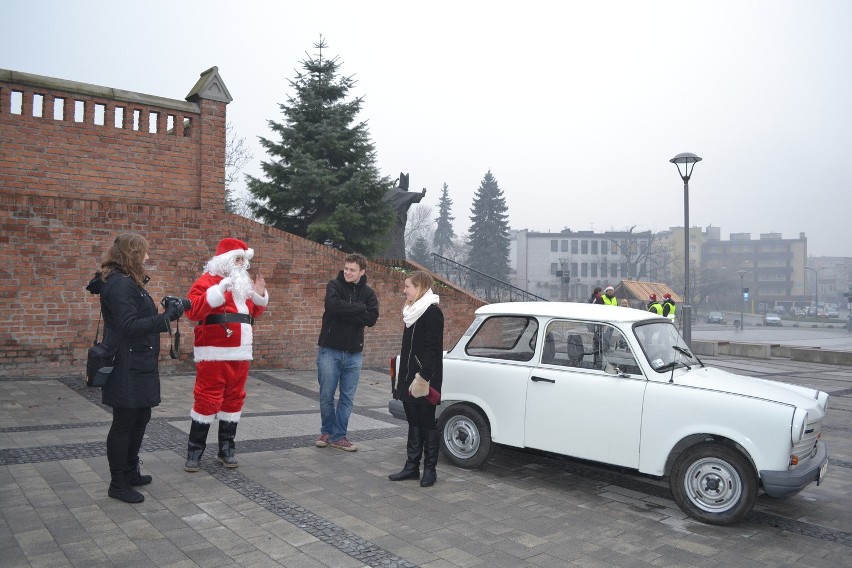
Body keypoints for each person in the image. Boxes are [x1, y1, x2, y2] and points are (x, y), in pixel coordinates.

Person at [86, 233, 184, 503]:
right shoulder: (119, 284)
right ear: (131, 254)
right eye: (144, 252)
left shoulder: (130, 282)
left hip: (138, 362)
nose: (148, 258)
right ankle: (117, 483)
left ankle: (130, 471)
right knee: (124, 422)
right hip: (125, 363)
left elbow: (137, 318)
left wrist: (164, 311)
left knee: (141, 417)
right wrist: (166, 319)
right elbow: (128, 326)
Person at [182, 238, 269, 472]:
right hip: (213, 353)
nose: (241, 264)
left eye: (243, 260)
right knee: (207, 399)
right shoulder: (206, 281)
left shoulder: (243, 284)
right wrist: (216, 293)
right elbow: (192, 310)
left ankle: (226, 450)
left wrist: (259, 296)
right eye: (237, 259)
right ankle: (194, 452)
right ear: (224, 260)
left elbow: (253, 312)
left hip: (241, 353)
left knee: (234, 399)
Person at [316, 253, 379, 452]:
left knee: (347, 398)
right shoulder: (334, 285)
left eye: (352, 270)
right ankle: (326, 431)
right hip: (330, 351)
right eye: (346, 268)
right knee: (326, 395)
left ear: (362, 271)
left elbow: (371, 319)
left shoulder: (368, 293)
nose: (348, 272)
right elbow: (332, 307)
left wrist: (349, 311)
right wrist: (359, 309)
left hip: (354, 354)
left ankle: (339, 436)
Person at [389, 270, 444, 487]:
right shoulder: (411, 311)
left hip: (424, 378)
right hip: (408, 375)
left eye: (407, 287)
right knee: (413, 420)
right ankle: (412, 467)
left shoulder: (432, 313)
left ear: (419, 287)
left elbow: (433, 349)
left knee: (427, 421)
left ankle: (430, 469)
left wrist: (424, 377)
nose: (404, 291)